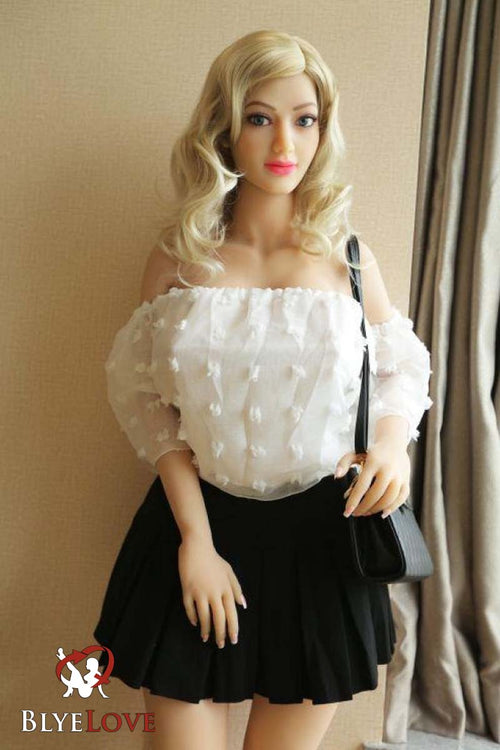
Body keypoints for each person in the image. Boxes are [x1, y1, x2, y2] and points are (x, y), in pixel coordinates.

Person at [93, 29, 433, 750]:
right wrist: (196, 540)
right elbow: (146, 400)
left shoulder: (348, 258)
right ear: (224, 127)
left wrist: (391, 447)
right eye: (259, 117)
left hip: (324, 540)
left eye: (305, 119)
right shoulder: (178, 258)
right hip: (197, 527)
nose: (285, 142)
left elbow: (401, 364)